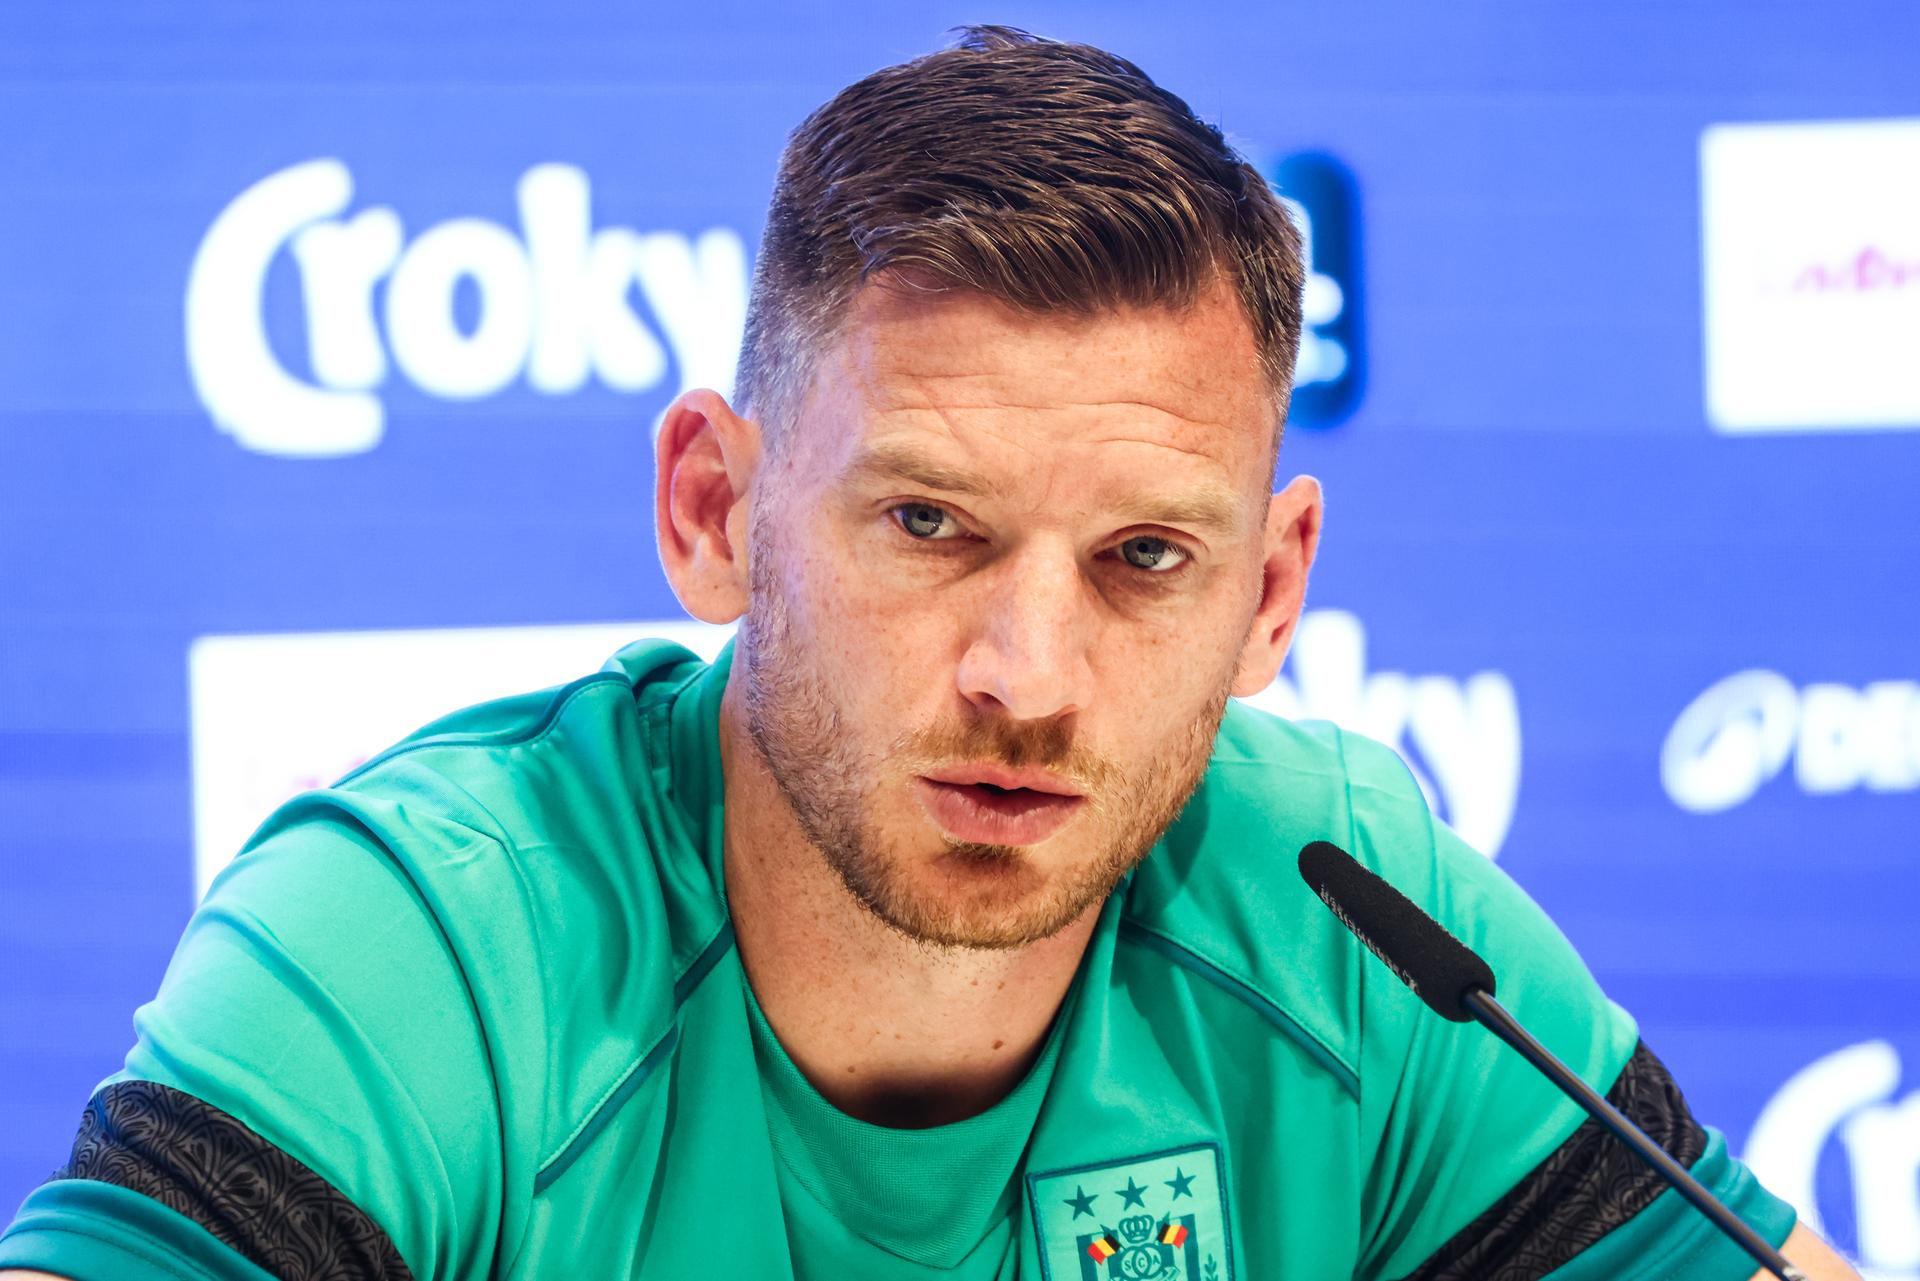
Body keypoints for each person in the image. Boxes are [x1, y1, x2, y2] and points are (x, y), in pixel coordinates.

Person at [0, 25, 1858, 1281]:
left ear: (1270, 597)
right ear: (715, 515)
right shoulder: (433, 942)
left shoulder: (1351, 926)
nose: (1028, 674)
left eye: (1143, 559)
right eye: (928, 525)